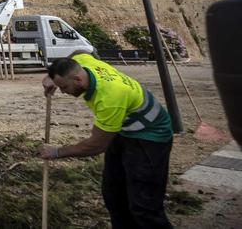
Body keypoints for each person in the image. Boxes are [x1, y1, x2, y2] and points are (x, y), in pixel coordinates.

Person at [41, 54, 173, 228]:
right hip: (123, 129)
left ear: (77, 79)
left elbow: (97, 145)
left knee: (144, 206)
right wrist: (51, 77)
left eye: (64, 87)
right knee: (114, 197)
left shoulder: (110, 97)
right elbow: (78, 53)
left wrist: (57, 152)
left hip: (150, 136)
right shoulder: (83, 63)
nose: (63, 91)